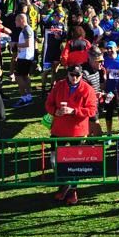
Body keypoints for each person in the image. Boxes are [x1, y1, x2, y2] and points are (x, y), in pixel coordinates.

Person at [45, 64, 98, 205]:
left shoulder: (87, 89)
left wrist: (74, 111)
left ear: (81, 75)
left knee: (75, 163)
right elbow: (49, 104)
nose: (74, 78)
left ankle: (72, 190)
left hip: (78, 131)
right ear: (67, 74)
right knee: (54, 160)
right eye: (71, 75)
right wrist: (55, 111)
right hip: (58, 130)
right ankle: (64, 185)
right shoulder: (59, 86)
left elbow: (92, 110)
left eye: (77, 75)